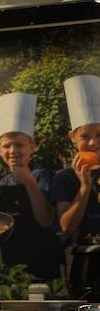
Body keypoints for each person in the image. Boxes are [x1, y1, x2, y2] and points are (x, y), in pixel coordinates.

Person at [0, 92, 63, 279]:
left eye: (19, 145)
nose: (13, 151)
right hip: (12, 259)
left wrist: (29, 182)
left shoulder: (40, 175)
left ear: (32, 147)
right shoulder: (3, 181)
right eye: (7, 146)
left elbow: (46, 221)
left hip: (43, 258)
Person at [52, 74, 100, 239]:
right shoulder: (64, 178)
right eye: (85, 136)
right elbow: (66, 227)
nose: (93, 143)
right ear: (73, 137)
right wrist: (85, 187)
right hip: (88, 260)